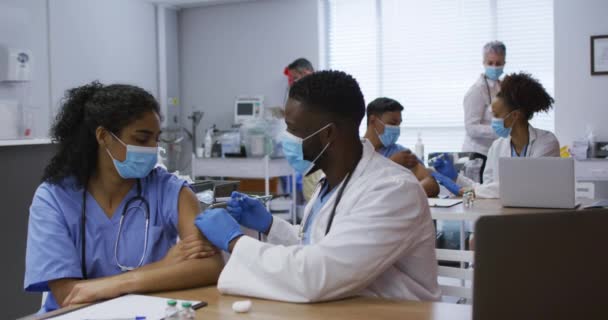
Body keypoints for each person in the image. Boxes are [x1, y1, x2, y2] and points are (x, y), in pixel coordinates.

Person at [195, 70, 440, 302]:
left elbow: (316, 274)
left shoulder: (393, 191)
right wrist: (271, 226)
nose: (284, 139)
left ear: (328, 134)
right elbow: (319, 247)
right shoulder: (332, 182)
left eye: (292, 129)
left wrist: (234, 241)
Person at [24, 82, 223, 313]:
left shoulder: (171, 191)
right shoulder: (54, 198)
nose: (152, 148)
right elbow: (69, 295)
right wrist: (163, 268)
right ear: (103, 137)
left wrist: (116, 284)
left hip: (146, 313)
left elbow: (211, 265)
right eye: (141, 139)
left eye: (156, 139)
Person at [432, 72, 559, 198]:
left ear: (515, 115)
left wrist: (465, 192)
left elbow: (524, 186)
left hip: (538, 216)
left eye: (496, 115)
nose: (492, 120)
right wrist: (455, 177)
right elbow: (488, 190)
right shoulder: (497, 146)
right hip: (503, 215)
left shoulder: (546, 142)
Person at [362, 97, 439, 197]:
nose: (397, 129)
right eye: (392, 123)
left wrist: (402, 196)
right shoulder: (354, 151)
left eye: (399, 124)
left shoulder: (401, 153)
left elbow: (431, 184)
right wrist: (391, 164)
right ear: (373, 121)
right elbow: (356, 187)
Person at [284, 57, 321, 202]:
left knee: (316, 202)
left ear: (306, 73)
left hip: (317, 159)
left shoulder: (316, 94)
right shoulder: (310, 94)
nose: (293, 82)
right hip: (313, 160)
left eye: (295, 78)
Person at [462, 41, 507, 159]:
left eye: (498, 63)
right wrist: (497, 131)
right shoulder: (476, 90)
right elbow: (471, 128)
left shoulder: (502, 87)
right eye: (490, 63)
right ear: (483, 63)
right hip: (477, 153)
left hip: (495, 152)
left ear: (504, 63)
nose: (494, 67)